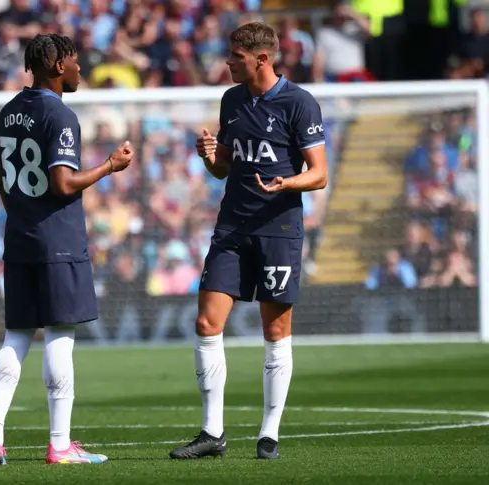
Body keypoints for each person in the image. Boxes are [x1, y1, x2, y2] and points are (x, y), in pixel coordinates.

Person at [168, 22, 328, 460]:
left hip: (278, 229)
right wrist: (210, 155)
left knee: (275, 330)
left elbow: (320, 173)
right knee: (206, 324)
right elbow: (225, 167)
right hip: (232, 227)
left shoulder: (299, 102)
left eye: (235, 56)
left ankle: (269, 434)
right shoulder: (231, 100)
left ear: (261, 59)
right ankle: (212, 433)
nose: (228, 62)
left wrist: (287, 184)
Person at [0, 33, 134, 466]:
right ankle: (60, 444)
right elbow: (62, 183)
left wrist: (23, 216)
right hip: (58, 241)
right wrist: (109, 166)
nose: (79, 68)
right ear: (53, 63)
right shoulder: (60, 116)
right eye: (73, 61)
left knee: (16, 336)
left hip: (20, 238)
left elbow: (1, 178)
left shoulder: (8, 112)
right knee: (60, 337)